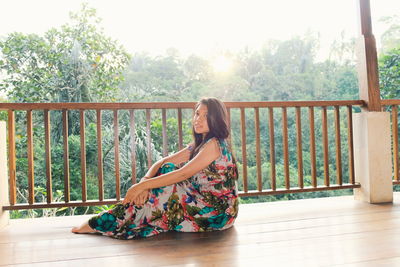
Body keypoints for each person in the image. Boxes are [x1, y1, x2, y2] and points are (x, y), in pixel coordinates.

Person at [71, 97, 239, 239]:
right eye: (197, 113)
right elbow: (163, 162)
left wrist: (141, 187)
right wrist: (144, 182)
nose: (198, 119)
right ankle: (114, 218)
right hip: (200, 201)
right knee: (166, 168)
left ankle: (107, 220)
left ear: (216, 119)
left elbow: (183, 174)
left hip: (218, 213)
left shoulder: (214, 144)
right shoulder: (200, 144)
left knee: (168, 182)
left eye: (206, 116)